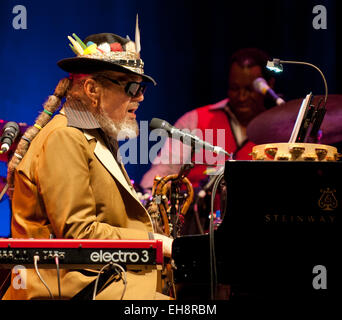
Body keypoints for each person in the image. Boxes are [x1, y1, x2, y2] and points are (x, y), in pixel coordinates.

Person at [2, 29, 173, 300]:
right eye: (131, 87)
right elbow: (79, 232)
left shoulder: (91, 135)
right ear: (92, 89)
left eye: (141, 88)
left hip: (100, 280)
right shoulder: (65, 136)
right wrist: (154, 242)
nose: (140, 97)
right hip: (67, 288)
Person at [140, 48, 276, 234]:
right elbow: (163, 170)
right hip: (197, 229)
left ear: (269, 85)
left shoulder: (281, 129)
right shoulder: (195, 119)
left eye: (249, 89)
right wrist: (147, 196)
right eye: (235, 89)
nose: (242, 97)